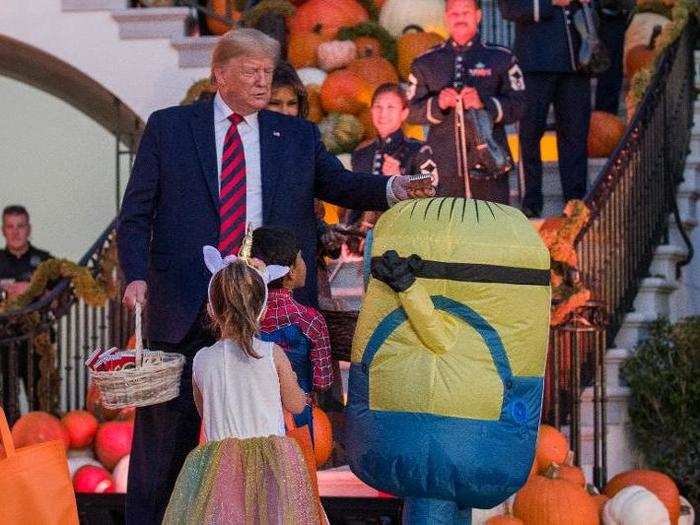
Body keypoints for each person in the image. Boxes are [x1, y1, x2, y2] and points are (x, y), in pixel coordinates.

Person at [117, 28, 433, 525]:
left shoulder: (298, 136)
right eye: (250, 71)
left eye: (267, 71)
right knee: (165, 443)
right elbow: (135, 214)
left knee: (267, 443)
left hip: (268, 312)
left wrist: (395, 187)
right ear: (220, 75)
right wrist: (135, 276)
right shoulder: (170, 128)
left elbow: (343, 184)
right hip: (182, 303)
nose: (263, 81)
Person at [162, 245, 322, 524]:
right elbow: (296, 404)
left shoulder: (202, 360)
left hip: (220, 470)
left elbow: (205, 412)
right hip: (271, 466)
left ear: (212, 309)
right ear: (261, 309)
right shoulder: (272, 354)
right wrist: (297, 386)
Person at [407, 0, 525, 204]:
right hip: (441, 166)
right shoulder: (425, 62)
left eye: (466, 12)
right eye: (454, 13)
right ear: (445, 18)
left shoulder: (501, 57)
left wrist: (485, 104)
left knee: (491, 229)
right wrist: (438, 104)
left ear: (478, 16)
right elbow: (408, 111)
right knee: (446, 230)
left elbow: (520, 105)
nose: (460, 18)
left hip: (490, 163)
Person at [500, 0, 593, 217]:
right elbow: (509, 8)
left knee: (575, 136)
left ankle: (575, 203)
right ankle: (531, 202)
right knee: (530, 135)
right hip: (535, 61)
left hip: (577, 62)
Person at [253, 226, 332, 442]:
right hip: (299, 418)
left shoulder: (243, 322)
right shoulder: (310, 320)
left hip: (253, 417)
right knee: (299, 471)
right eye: (301, 259)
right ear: (290, 272)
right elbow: (323, 381)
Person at [348, 83, 438, 231]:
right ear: (371, 111)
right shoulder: (361, 154)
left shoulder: (421, 150)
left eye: (391, 107)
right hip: (365, 239)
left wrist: (399, 180)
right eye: (378, 107)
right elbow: (354, 205)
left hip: (405, 234)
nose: (383, 114)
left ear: (404, 113)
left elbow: (433, 188)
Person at [0, 205, 52, 301]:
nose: (15, 232)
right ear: (3, 231)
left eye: (20, 226)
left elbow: (60, 307)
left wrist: (33, 290)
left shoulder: (46, 262)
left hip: (37, 315)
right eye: (10, 227)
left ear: (29, 230)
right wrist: (7, 293)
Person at [594, 0, 632, 114]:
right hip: (602, 15)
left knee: (611, 70)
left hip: (612, 15)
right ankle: (604, 114)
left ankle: (606, 114)